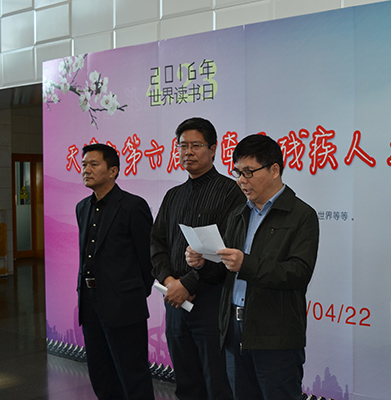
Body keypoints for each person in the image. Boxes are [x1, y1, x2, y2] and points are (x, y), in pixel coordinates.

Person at [187, 134, 320, 400]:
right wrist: (202, 263)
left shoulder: (301, 215)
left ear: (274, 170)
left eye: (248, 172)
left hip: (275, 336)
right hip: (234, 330)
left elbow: (298, 273)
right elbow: (225, 270)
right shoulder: (239, 213)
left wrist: (245, 264)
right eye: (237, 172)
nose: (241, 180)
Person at [151, 117, 244, 400]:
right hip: (176, 302)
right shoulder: (173, 195)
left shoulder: (231, 192)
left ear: (213, 149)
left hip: (212, 302)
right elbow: (157, 243)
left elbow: (230, 249)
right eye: (182, 146)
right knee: (186, 382)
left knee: (217, 382)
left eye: (196, 145)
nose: (188, 152)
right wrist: (170, 282)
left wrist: (188, 284)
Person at [76, 143, 155, 400]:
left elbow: (148, 258)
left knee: (132, 374)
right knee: (100, 373)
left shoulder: (133, 206)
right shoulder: (82, 207)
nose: (86, 170)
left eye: (93, 164)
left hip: (124, 304)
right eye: (84, 164)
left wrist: (132, 293)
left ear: (113, 171)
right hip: (89, 302)